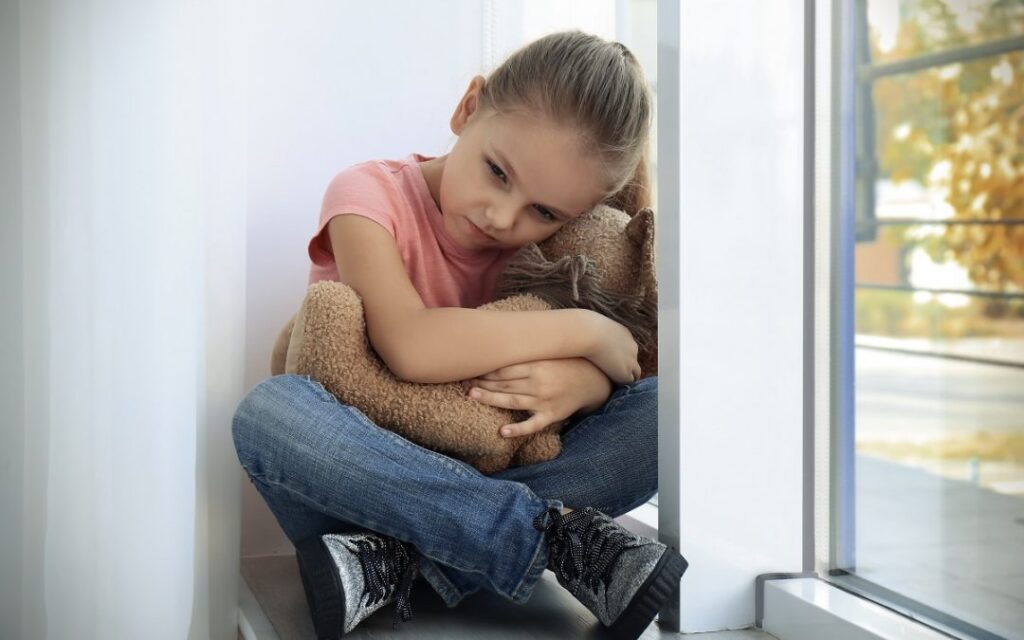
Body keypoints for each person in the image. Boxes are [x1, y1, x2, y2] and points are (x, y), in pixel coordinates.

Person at [231, 30, 687, 640]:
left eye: (545, 212)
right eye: (497, 172)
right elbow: (411, 346)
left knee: (664, 415)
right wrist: (582, 331)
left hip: (380, 535)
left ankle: (398, 565)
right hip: (360, 487)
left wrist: (588, 384)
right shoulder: (365, 196)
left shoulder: (558, 251)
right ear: (468, 107)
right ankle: (545, 538)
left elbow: (630, 367)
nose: (503, 217)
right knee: (270, 413)